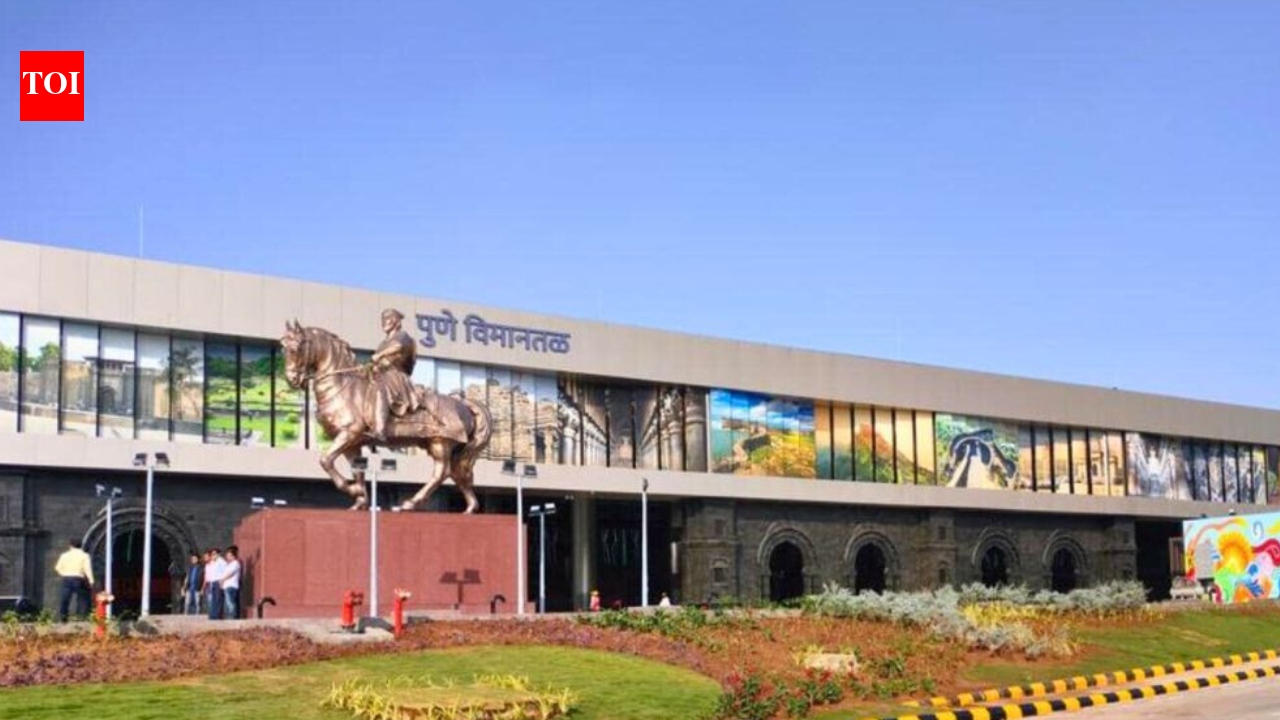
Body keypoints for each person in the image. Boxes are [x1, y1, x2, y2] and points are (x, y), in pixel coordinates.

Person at [365, 308, 419, 443]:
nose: (384, 322)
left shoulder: (402, 336)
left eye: (388, 319)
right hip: (381, 373)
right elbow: (376, 361)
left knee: (380, 388)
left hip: (396, 375)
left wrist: (380, 355)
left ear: (396, 321)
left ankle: (380, 430)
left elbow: (398, 347)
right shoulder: (382, 343)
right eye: (383, 319)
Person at [54, 538, 94, 622]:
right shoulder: (84, 555)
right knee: (83, 598)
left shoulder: (64, 555)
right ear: (81, 546)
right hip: (79, 578)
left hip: (67, 578)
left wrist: (63, 574)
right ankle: (82, 616)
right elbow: (87, 569)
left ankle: (63, 617)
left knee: (65, 598)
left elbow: (57, 568)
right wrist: (91, 580)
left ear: (70, 545)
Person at [203, 548, 226, 620]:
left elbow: (225, 572)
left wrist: (222, 581)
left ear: (218, 554)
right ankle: (212, 615)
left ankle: (217, 615)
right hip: (213, 582)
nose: (212, 555)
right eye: (212, 554)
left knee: (218, 599)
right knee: (213, 599)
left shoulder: (222, 561)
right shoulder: (214, 562)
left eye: (214, 554)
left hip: (219, 582)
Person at [221, 546, 241, 619]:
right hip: (226, 586)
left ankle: (232, 617)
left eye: (229, 555)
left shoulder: (236, 563)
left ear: (233, 556)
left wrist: (222, 580)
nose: (227, 557)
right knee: (227, 603)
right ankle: (228, 617)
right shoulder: (228, 564)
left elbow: (231, 574)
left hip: (231, 586)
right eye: (227, 555)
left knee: (230, 603)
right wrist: (222, 583)